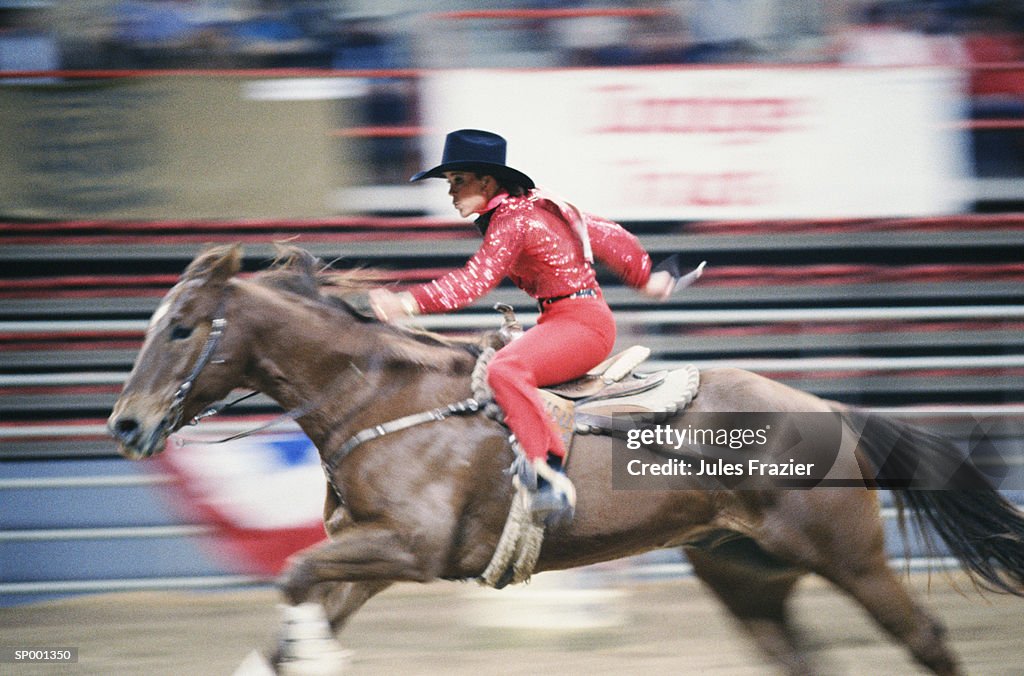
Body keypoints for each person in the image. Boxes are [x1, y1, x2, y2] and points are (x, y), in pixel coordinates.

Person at [369, 129, 673, 524]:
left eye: (458, 182)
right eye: (450, 184)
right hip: (571, 318)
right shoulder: (539, 204)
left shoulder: (512, 219)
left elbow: (475, 281)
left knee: (505, 369)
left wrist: (406, 302)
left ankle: (547, 473)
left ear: (487, 181)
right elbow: (604, 232)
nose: (451, 193)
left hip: (579, 323)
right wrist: (643, 276)